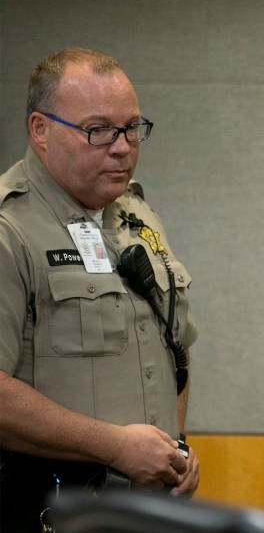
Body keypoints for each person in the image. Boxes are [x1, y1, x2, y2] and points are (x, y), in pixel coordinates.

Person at [0, 48, 199, 531]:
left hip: (146, 507)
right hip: (50, 509)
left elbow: (174, 348)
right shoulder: (9, 230)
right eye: (98, 130)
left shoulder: (137, 215)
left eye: (133, 128)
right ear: (40, 131)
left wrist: (175, 449)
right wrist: (117, 447)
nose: (122, 147)